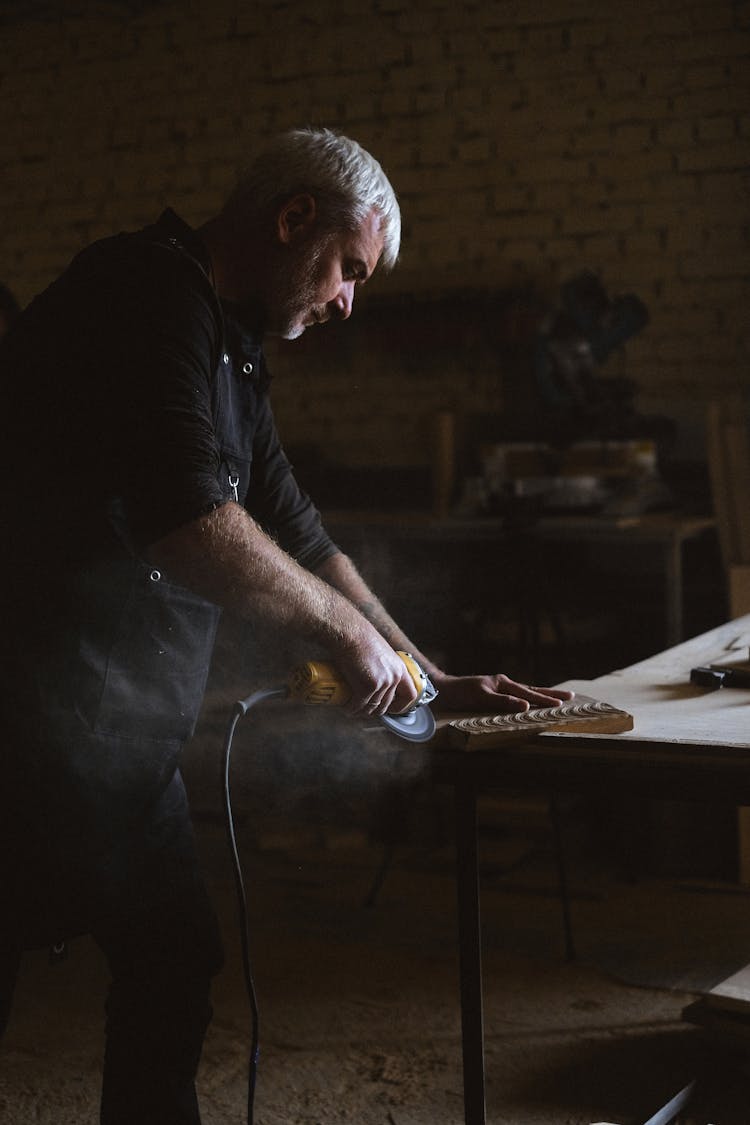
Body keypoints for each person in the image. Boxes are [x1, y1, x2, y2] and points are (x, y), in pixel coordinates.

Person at [0, 126, 572, 1124]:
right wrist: (348, 641)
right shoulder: (142, 290)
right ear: (294, 216)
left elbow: (300, 536)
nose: (349, 299)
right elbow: (191, 522)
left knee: (174, 962)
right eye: (349, 268)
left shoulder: (233, 344)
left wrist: (425, 678)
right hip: (18, 726)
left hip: (114, 743)